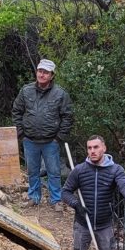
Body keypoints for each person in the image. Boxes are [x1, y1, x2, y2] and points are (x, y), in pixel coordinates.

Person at [62, 135, 125, 250]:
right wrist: (76, 204)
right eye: (89, 148)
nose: (92, 151)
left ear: (104, 148)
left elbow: (124, 185)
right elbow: (65, 192)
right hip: (82, 223)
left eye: (96, 147)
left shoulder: (116, 170)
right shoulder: (79, 170)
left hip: (105, 224)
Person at [11, 58, 73, 205]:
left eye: (46, 72)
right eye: (40, 71)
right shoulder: (26, 91)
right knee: (32, 172)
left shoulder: (60, 94)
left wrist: (59, 138)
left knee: (54, 173)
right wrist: (21, 133)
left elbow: (68, 116)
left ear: (52, 75)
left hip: (51, 141)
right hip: (30, 140)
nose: (42, 74)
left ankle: (56, 200)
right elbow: (16, 111)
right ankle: (34, 197)